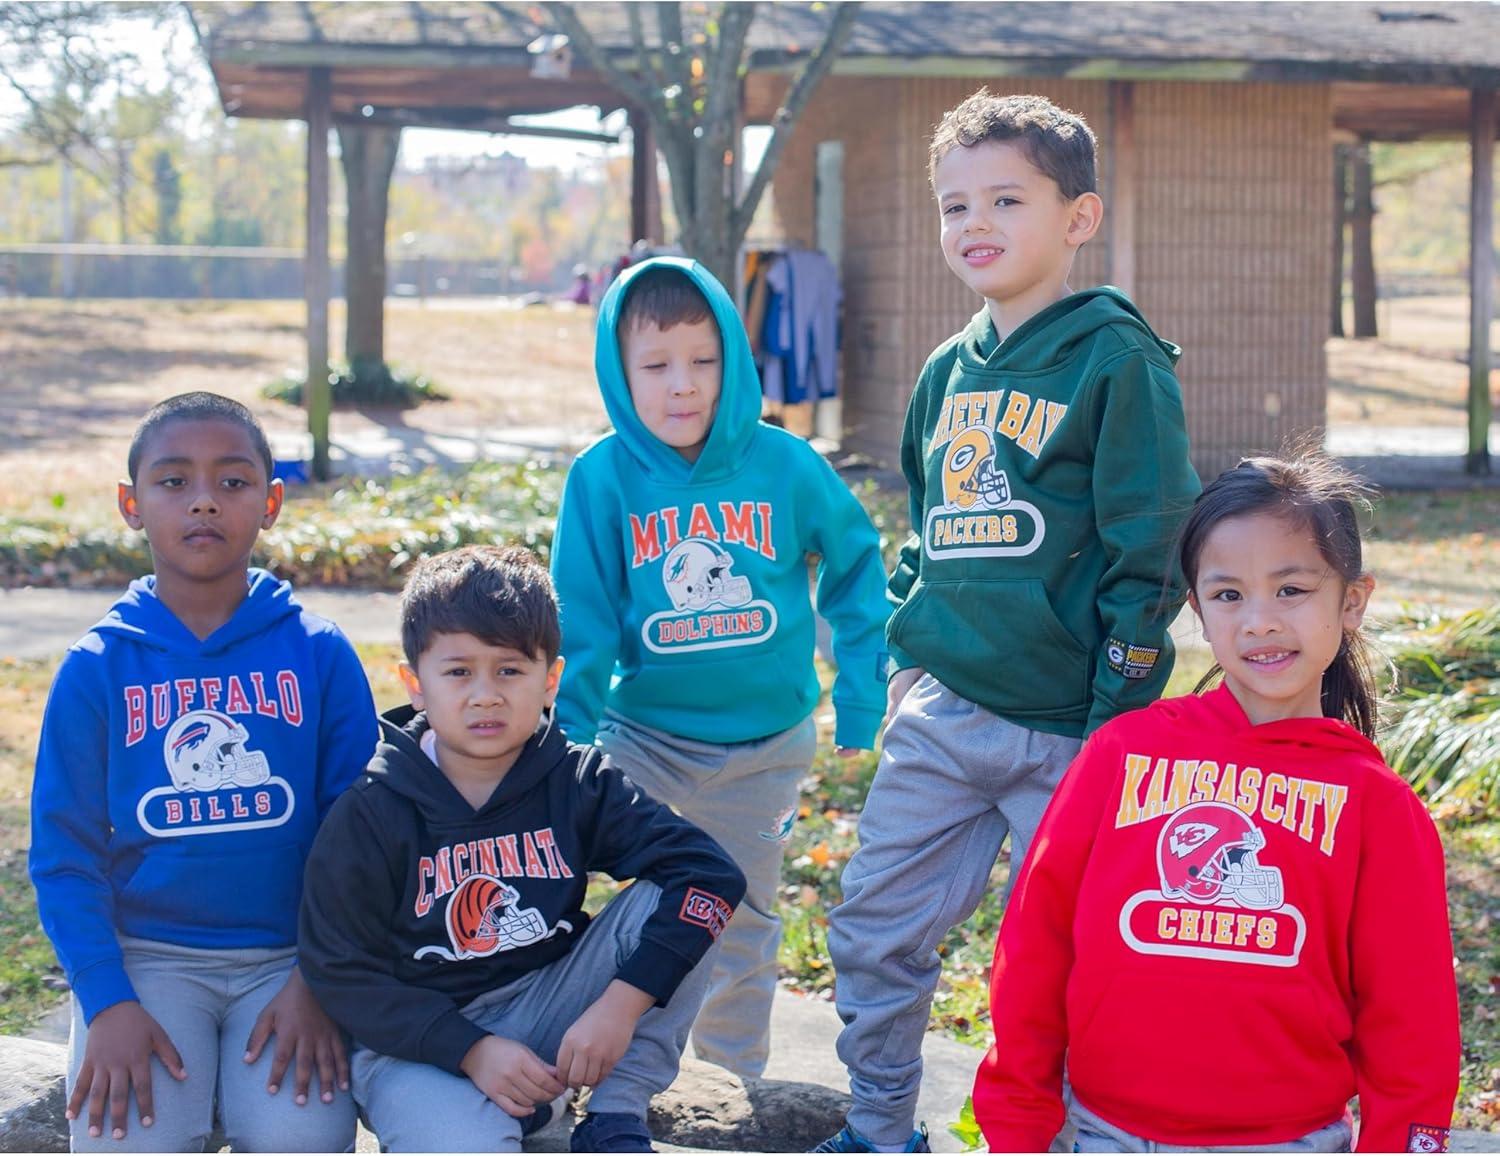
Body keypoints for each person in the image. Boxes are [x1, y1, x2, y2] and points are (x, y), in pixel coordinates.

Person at [815, 90, 1201, 1153]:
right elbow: (927, 526)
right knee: (872, 930)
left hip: (1067, 728)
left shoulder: (1116, 359)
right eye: (954, 205)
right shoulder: (945, 372)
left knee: (1071, 958)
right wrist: (907, 653)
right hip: (944, 713)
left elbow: (1152, 543)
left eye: (1006, 199)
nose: (974, 223)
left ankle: (1066, 1135)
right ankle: (878, 1127)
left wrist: (1115, 716)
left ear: (1079, 217)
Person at [973, 452, 1460, 1152]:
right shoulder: (1122, 754)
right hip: (1104, 1134)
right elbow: (1035, 945)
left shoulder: (1375, 804)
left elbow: (1411, 1016)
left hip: (1286, 1141)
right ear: (1198, 611)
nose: (1259, 621)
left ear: (1351, 602)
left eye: (1291, 589)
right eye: (1229, 595)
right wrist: (1017, 1123)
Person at [549, 256, 891, 1079]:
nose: (683, 385)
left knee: (742, 915)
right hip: (642, 742)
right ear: (618, 372)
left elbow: (855, 569)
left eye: (704, 360)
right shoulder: (601, 479)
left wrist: (860, 696)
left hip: (763, 751)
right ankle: (600, 1063)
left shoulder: (787, 465)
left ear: (734, 357)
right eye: (656, 365)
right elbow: (582, 619)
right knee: (630, 907)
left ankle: (730, 1088)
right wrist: (566, 741)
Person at [298, 544, 747, 1153]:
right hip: (419, 1042)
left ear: (550, 680)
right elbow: (338, 968)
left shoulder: (577, 780)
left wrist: (620, 1005)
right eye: (459, 672)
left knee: (687, 900)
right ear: (416, 684)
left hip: (551, 1004)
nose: (485, 695)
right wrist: (470, 1049)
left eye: (509, 670)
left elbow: (712, 875)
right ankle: (517, 1107)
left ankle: (614, 1113)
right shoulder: (373, 808)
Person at [29, 391, 378, 1152]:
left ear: (271, 502)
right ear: (131, 504)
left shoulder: (319, 654)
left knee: (301, 1141)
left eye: (232, 481)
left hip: (290, 960)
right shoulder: (97, 667)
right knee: (123, 1137)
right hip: (148, 960)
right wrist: (106, 1002)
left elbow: (360, 839)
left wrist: (319, 979)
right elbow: (63, 855)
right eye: (173, 480)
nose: (204, 502)